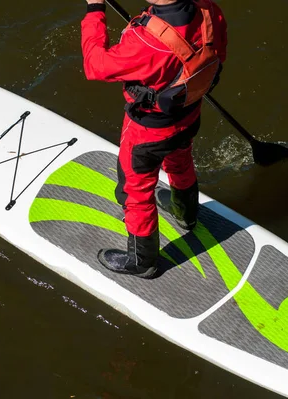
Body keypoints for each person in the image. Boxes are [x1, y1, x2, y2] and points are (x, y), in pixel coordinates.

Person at [81, 0, 228, 278]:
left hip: (147, 130)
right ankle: (186, 215)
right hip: (188, 115)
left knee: (134, 191)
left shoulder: (143, 40)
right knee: (180, 161)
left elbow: (95, 65)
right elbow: (219, 54)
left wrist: (94, 9)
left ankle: (143, 261)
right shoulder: (209, 10)